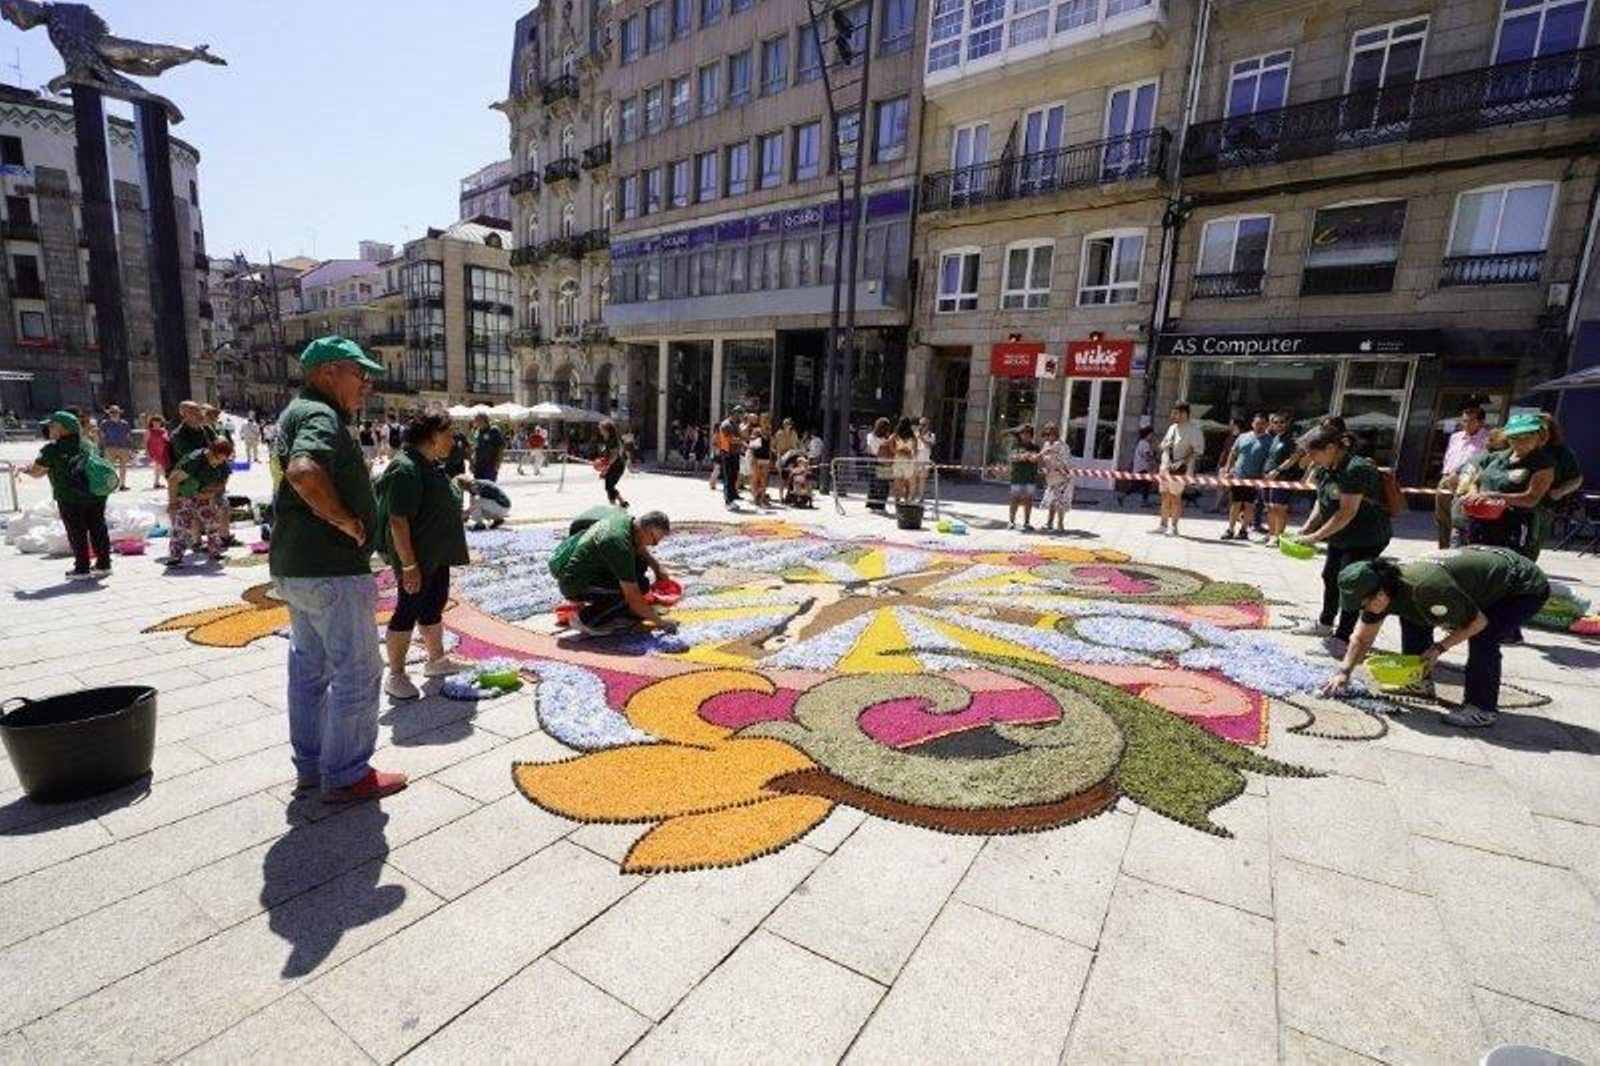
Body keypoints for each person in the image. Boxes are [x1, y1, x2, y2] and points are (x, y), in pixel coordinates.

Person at [269, 336, 406, 804]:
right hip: (330, 567)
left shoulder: (296, 411)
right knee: (359, 671)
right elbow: (304, 472)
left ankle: (312, 765)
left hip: (297, 565)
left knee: (309, 670)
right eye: (359, 373)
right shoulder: (319, 414)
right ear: (327, 371)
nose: (366, 383)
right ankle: (346, 773)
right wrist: (346, 520)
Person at [1322, 548, 1550, 729]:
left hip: (1520, 586)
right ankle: (1418, 681)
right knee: (1412, 615)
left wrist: (1439, 649)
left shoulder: (1427, 588)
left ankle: (1481, 709)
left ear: (1380, 595)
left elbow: (1477, 623)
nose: (1364, 610)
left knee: (1483, 637)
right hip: (1482, 575)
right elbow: (1362, 638)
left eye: (1362, 604)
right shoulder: (1385, 588)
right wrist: (1344, 672)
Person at [374, 411, 473, 701]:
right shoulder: (405, 468)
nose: (452, 439)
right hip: (417, 559)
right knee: (407, 610)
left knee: (432, 606)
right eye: (448, 434)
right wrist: (409, 565)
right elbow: (398, 521)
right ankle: (396, 674)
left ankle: (436, 660)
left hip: (436, 555)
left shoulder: (429, 464)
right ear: (431, 436)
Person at [1288, 423, 1393, 649]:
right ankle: (1325, 623)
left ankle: (1343, 637)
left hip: (1366, 537)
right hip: (1341, 535)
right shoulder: (1326, 467)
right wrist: (1308, 527)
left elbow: (1346, 512)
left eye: (1312, 452)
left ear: (1331, 448)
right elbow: (1323, 500)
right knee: (1330, 576)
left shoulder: (1355, 469)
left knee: (1351, 583)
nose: (1309, 458)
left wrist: (1315, 537)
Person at [548, 507, 677, 636]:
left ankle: (613, 610)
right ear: (645, 530)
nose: (653, 545)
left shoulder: (625, 520)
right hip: (576, 584)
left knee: (641, 580)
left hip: (586, 571)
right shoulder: (618, 545)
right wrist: (661, 623)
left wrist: (656, 566)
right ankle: (585, 620)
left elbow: (639, 547)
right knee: (627, 596)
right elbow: (633, 598)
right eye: (654, 541)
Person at [23, 410, 111, 580]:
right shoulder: (88, 444)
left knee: (77, 532)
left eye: (52, 426)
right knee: (98, 528)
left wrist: (27, 470)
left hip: (70, 497)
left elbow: (37, 472)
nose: (49, 429)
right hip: (96, 494)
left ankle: (82, 568)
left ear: (63, 429)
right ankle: (104, 564)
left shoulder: (51, 449)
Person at [1459, 412, 1554, 558]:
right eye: (1514, 437)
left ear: (1540, 437)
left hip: (1515, 525)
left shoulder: (1543, 464)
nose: (1520, 442)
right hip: (1480, 520)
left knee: (1507, 569)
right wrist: (1473, 493)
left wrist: (1494, 496)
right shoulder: (1496, 457)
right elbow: (1475, 480)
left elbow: (1531, 499)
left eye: (1527, 437)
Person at [164, 437, 234, 567]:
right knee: (181, 527)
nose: (219, 463)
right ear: (211, 452)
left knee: (212, 524)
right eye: (218, 459)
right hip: (185, 495)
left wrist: (211, 493)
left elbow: (223, 481)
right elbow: (173, 480)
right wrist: (172, 502)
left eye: (224, 460)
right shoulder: (194, 460)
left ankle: (215, 551)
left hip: (205, 497)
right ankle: (175, 556)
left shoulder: (222, 461)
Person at [1434, 404, 1489, 549]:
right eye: (1464, 421)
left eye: (1471, 421)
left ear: (1481, 422)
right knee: (1442, 517)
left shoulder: (1487, 440)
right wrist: (1446, 475)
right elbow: (1449, 457)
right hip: (1446, 478)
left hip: (1467, 482)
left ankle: (1460, 550)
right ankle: (1444, 550)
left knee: (1460, 518)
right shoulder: (1456, 437)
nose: (1466, 424)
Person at [1154, 403, 1204, 536]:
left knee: (1175, 497)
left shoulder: (1194, 430)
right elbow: (1163, 445)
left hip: (1179, 470)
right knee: (1164, 496)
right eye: (1173, 413)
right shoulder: (1172, 427)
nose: (1172, 416)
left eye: (1175, 413)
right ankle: (1163, 525)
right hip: (1165, 467)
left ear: (1184, 414)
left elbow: (1198, 451)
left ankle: (1174, 527)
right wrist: (1163, 445)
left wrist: (1182, 461)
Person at [1224, 412, 1270, 540]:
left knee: (1250, 505)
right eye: (1257, 423)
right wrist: (1227, 470)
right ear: (1252, 424)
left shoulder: (1270, 441)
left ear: (1266, 425)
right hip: (1238, 476)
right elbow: (1233, 453)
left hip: (1255, 479)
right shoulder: (1243, 437)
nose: (1259, 426)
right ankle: (1230, 529)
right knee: (1235, 504)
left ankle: (1244, 530)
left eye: (1262, 424)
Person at [1259, 412, 1297, 545]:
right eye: (1275, 422)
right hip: (1268, 476)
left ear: (1287, 423)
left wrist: (1277, 471)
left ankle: (1278, 536)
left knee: (1279, 507)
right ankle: (1271, 533)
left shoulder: (1291, 439)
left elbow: (1293, 458)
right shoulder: (1275, 438)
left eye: (1281, 422)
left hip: (1282, 477)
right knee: (1269, 507)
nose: (1278, 425)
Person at [1038, 422, 1072, 533]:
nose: (1047, 437)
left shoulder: (1062, 446)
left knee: (1060, 501)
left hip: (1062, 477)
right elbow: (1043, 458)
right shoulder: (1047, 444)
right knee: (1051, 500)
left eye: (1049, 434)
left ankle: (1060, 524)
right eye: (1045, 435)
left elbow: (1066, 463)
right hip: (1051, 476)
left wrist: (1057, 464)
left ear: (1055, 434)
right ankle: (1049, 523)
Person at [1007, 425, 1040, 531]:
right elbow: (1012, 458)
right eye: (1023, 433)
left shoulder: (1035, 447)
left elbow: (1035, 459)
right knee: (1014, 499)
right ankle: (1011, 521)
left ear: (1031, 436)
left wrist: (1026, 457)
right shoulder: (1015, 446)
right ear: (1020, 435)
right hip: (1017, 477)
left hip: (1030, 477)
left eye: (1028, 434)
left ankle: (1026, 522)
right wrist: (1023, 457)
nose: (1025, 436)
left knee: (1028, 500)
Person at [168, 401, 210, 475]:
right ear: (183, 415)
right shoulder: (178, 434)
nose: (197, 414)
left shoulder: (202, 429)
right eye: (192, 412)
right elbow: (191, 456)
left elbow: (209, 447)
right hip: (189, 475)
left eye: (198, 410)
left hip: (204, 471)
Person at [1118, 425, 1155, 507]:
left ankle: (1124, 497)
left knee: (1142, 485)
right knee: (1141, 485)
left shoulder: (1141, 442)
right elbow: (1146, 456)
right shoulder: (1145, 444)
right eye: (1151, 435)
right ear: (1147, 434)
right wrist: (1153, 457)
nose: (1152, 437)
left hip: (1139, 468)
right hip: (1142, 468)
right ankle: (1143, 501)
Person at [595, 418, 629, 508]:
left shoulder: (613, 440)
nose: (600, 431)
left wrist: (605, 468)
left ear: (607, 430)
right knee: (609, 485)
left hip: (617, 466)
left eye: (601, 429)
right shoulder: (609, 439)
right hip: (614, 465)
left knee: (609, 486)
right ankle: (622, 502)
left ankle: (614, 505)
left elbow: (614, 456)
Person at [99, 405, 133, 491]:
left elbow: (128, 437)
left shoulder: (125, 424)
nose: (114, 414)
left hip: (123, 447)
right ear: (109, 414)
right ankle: (111, 485)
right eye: (112, 412)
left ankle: (122, 484)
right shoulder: (104, 424)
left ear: (119, 413)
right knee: (110, 468)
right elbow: (102, 437)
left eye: (116, 412)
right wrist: (102, 448)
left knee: (123, 468)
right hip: (110, 448)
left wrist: (131, 449)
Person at [716, 417, 742, 511]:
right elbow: (729, 439)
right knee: (728, 478)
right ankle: (728, 501)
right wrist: (741, 441)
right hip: (728, 454)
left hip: (734, 454)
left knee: (733, 477)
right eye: (739, 414)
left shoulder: (735, 424)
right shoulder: (726, 424)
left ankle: (732, 499)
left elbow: (737, 438)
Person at [471, 413, 506, 482]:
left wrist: (498, 462)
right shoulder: (477, 432)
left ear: (484, 420)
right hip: (478, 464)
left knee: (489, 486)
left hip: (490, 464)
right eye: (475, 420)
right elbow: (475, 448)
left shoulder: (493, 430)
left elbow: (501, 447)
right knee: (478, 486)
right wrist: (472, 463)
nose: (475, 422)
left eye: (477, 420)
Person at [891, 417, 917, 505]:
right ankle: (906, 499)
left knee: (897, 481)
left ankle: (897, 499)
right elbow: (915, 450)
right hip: (908, 460)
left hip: (898, 459)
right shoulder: (912, 436)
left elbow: (891, 447)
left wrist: (899, 452)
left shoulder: (896, 435)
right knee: (907, 482)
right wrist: (909, 455)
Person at [749, 419, 775, 507]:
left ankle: (762, 498)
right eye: (764, 422)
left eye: (767, 422)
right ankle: (756, 497)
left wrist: (771, 459)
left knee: (764, 480)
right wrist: (753, 459)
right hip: (757, 458)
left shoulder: (769, 434)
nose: (766, 424)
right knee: (755, 479)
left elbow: (770, 448)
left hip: (766, 459)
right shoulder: (756, 431)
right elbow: (752, 447)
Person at [145, 415, 171, 489]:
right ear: (151, 422)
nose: (156, 423)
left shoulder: (164, 430)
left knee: (159, 467)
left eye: (158, 421)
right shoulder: (149, 431)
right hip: (154, 451)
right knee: (160, 466)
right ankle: (167, 481)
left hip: (164, 450)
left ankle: (157, 482)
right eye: (154, 421)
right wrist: (147, 452)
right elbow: (146, 442)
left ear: (161, 422)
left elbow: (167, 440)